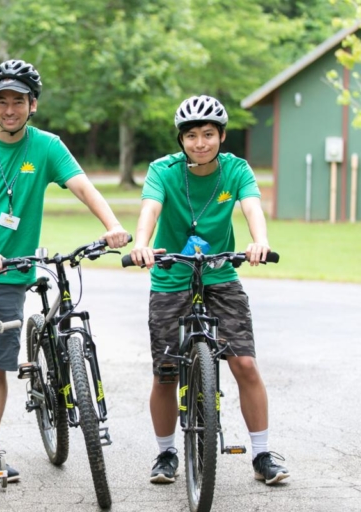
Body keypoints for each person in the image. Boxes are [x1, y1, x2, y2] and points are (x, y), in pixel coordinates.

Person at [0, 59, 130, 487]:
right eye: (2, 101)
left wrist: (112, 225)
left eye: (18, 101)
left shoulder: (48, 146)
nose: (10, 109)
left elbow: (83, 186)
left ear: (32, 105)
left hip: (11, 278)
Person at [128, 95, 290, 486]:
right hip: (171, 277)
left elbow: (251, 205)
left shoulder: (235, 170)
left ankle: (262, 453)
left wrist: (259, 241)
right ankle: (166, 452)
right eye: (191, 136)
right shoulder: (163, 170)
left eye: (208, 135)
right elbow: (150, 208)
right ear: (181, 140)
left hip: (220, 276)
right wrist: (141, 243)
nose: (200, 143)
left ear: (221, 136)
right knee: (166, 372)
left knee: (245, 364)